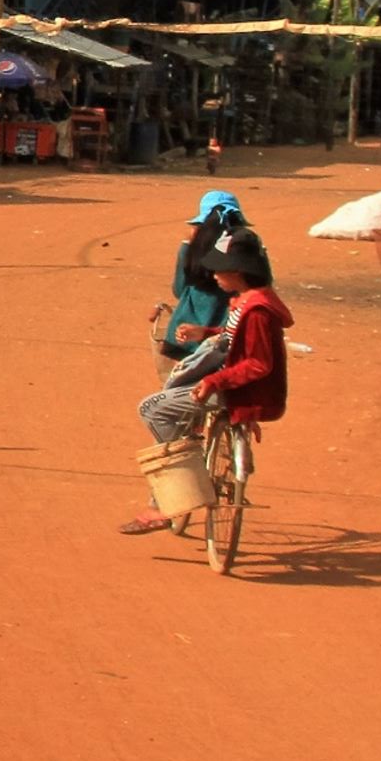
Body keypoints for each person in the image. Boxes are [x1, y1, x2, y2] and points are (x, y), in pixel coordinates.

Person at [120, 224, 293, 535]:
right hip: (239, 387)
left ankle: (179, 486)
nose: (214, 276)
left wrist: (215, 381)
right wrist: (206, 334)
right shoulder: (249, 302)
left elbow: (257, 363)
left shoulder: (257, 312)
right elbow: (233, 339)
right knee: (170, 410)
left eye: (219, 270)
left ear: (237, 271)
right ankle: (184, 470)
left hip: (239, 391)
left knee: (152, 408)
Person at [150, 189, 253, 377]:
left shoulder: (189, 248)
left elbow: (179, 290)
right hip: (230, 332)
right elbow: (262, 287)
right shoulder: (248, 247)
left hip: (185, 334)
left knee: (182, 390)